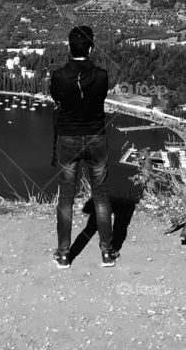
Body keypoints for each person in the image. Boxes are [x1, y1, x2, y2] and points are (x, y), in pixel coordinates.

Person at [50, 25, 118, 269]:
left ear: (70, 48)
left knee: (66, 197)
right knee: (100, 195)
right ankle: (107, 252)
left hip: (67, 139)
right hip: (96, 138)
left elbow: (57, 100)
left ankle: (64, 255)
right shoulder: (102, 75)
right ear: (91, 48)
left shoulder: (58, 76)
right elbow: (98, 99)